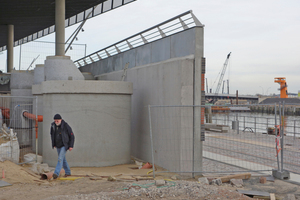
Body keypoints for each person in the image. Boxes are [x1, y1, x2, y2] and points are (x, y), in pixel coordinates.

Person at [50, 114, 75, 179]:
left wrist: (71, 145)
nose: (56, 122)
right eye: (55, 121)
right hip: (58, 145)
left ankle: (56, 173)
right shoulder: (53, 126)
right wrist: (54, 144)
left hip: (64, 145)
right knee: (63, 160)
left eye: (57, 121)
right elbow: (52, 135)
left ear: (61, 120)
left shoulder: (66, 126)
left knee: (60, 159)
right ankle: (68, 172)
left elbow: (72, 136)